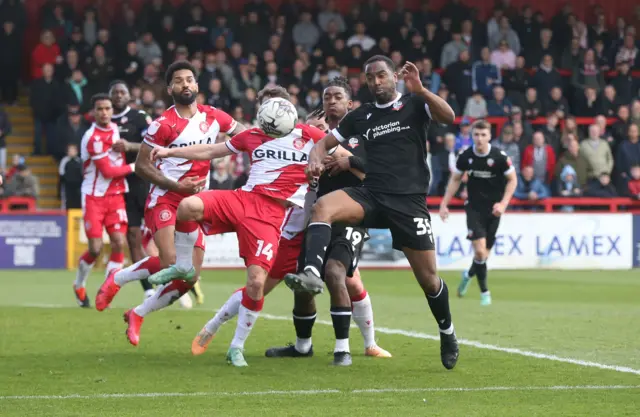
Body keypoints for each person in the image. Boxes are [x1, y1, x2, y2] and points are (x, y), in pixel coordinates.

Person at [284, 56, 459, 370]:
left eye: (381, 76)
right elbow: (323, 144)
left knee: (430, 281)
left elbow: (449, 117)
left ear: (393, 76)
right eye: (370, 78)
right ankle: (311, 273)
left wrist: (420, 89)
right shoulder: (361, 116)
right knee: (323, 207)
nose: (376, 82)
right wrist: (314, 156)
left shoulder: (414, 104)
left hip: (408, 203)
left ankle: (447, 332)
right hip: (371, 195)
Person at [208, 78, 389, 366]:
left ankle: (363, 345)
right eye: (327, 96)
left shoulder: (359, 134)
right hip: (308, 224)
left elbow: (375, 172)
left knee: (342, 277)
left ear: (350, 103)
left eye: (337, 97)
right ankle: (301, 345)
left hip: (348, 215)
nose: (331, 101)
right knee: (296, 285)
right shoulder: (306, 133)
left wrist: (348, 162)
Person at [148, 94, 326, 367]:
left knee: (255, 284)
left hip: (271, 215)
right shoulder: (252, 135)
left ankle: (236, 346)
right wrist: (170, 151)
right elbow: (210, 150)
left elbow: (346, 154)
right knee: (187, 206)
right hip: (242, 199)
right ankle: (184, 266)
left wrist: (326, 162)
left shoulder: (311, 136)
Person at [94, 61, 244, 347]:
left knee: (189, 278)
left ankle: (137, 314)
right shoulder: (163, 124)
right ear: (170, 89)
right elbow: (141, 166)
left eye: (190, 79)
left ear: (197, 85)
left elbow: (246, 135)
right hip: (166, 196)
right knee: (170, 263)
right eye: (179, 81)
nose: (185, 84)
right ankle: (119, 277)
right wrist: (176, 185)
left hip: (198, 203)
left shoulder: (215, 117)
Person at [439, 120, 518, 306]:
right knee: (481, 253)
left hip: (494, 210)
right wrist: (444, 204)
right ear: (472, 136)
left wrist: (503, 204)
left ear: (490, 136)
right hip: (474, 208)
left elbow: (512, 180)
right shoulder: (465, 156)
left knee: (483, 256)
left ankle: (468, 275)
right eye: (476, 135)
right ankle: (485, 293)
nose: (480, 139)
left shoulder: (499, 156)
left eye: (483, 135)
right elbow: (455, 179)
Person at [73, 93, 135, 308]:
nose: (105, 112)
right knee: (95, 249)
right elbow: (107, 171)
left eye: (108, 108)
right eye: (100, 109)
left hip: (116, 196)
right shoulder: (92, 138)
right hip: (94, 197)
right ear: (93, 112)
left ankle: (107, 290)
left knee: (120, 242)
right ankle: (79, 283)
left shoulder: (116, 129)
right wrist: (135, 168)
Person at [108, 80, 156, 299]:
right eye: (115, 93)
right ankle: (148, 290)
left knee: (161, 232)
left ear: (128, 96)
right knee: (133, 238)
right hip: (119, 187)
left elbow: (154, 144)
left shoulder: (139, 117)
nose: (118, 95)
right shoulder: (104, 121)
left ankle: (178, 278)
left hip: (143, 182)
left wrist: (130, 146)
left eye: (122, 92)